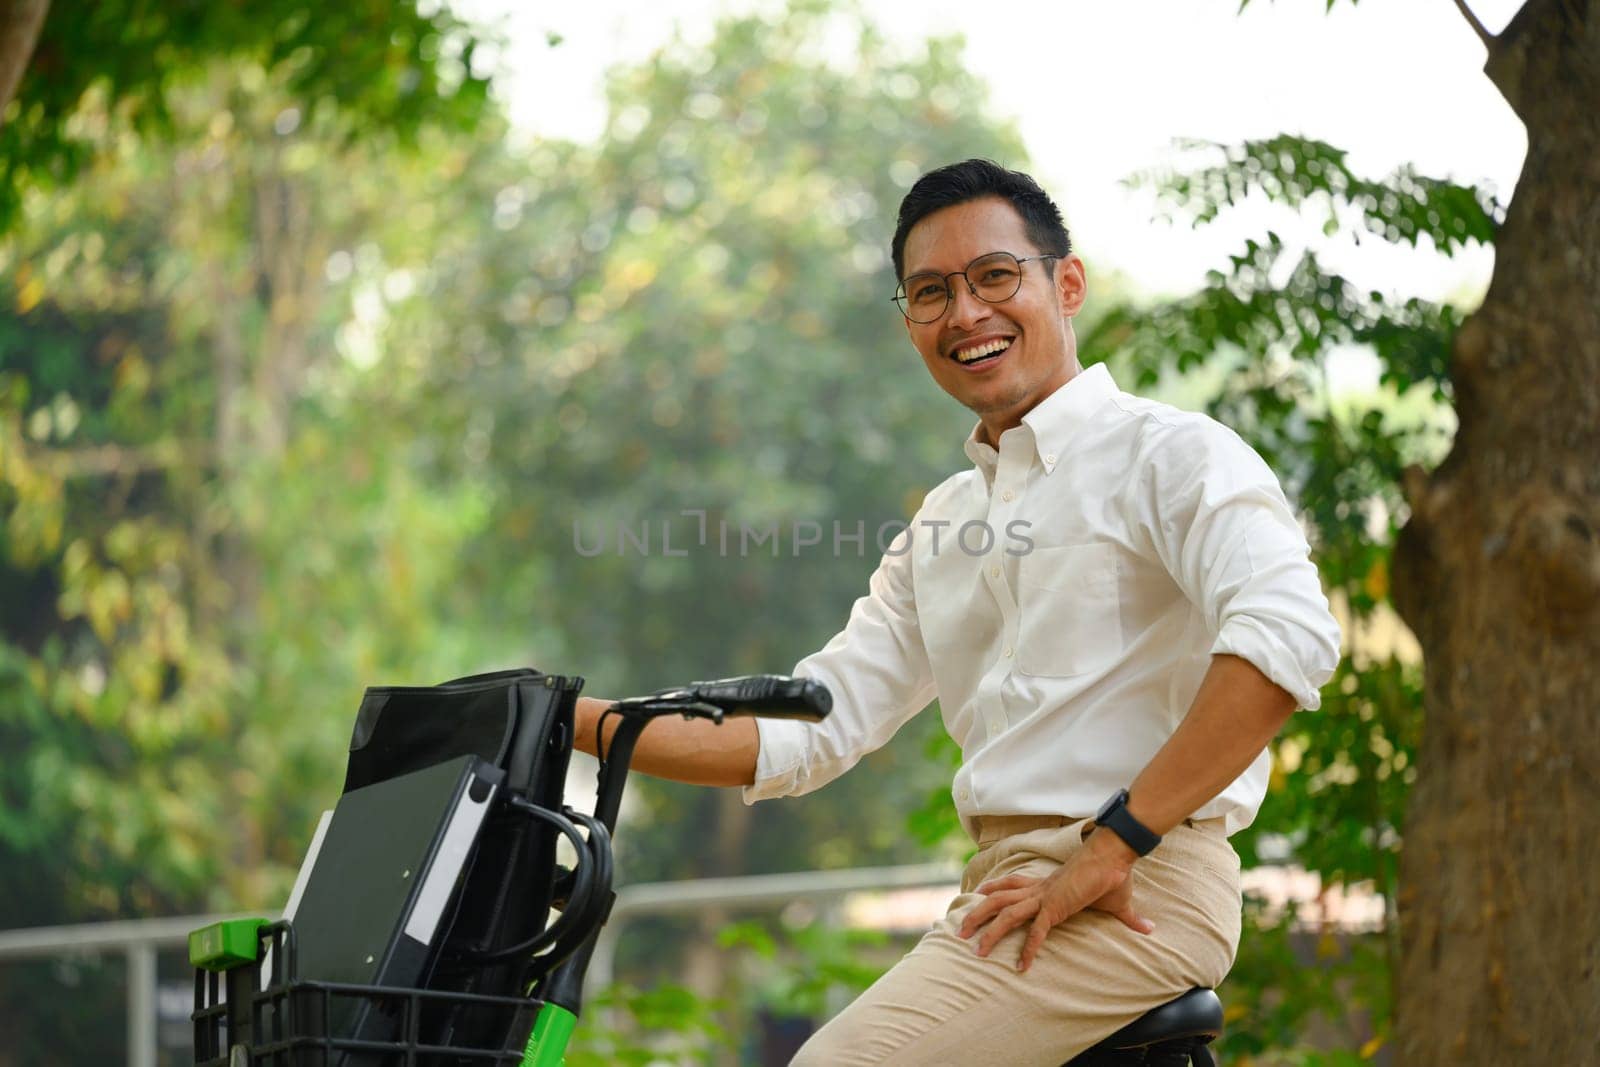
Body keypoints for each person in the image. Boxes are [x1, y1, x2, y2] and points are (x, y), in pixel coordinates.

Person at [570, 159, 1342, 1065]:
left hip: (1139, 885)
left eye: (995, 276)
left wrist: (1118, 838)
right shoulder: (944, 522)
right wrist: (564, 719)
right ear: (910, 325)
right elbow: (806, 728)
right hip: (1002, 893)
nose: (965, 313)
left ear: (1068, 283)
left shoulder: (1172, 456)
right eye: (931, 292)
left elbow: (1287, 639)